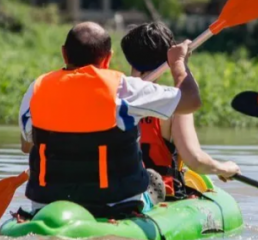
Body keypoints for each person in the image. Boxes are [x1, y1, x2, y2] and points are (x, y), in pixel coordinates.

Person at [17, 21, 202, 218]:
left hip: (46, 204)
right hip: (114, 204)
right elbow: (191, 100)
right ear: (108, 59)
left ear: (64, 53)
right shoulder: (124, 89)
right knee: (150, 180)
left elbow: (27, 146)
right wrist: (179, 63)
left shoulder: (36, 89)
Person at [120, 22, 240, 202]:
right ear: (166, 60)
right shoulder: (173, 103)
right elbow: (196, 160)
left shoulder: (113, 97)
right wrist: (224, 168)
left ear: (128, 57)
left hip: (120, 191)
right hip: (162, 195)